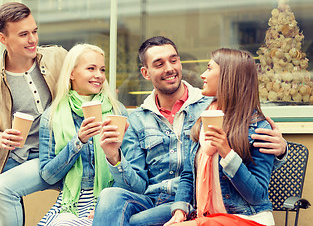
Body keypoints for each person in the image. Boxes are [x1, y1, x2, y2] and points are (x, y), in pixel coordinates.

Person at [92, 36, 287, 226]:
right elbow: (138, 185)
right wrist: (114, 157)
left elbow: (248, 148)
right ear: (146, 73)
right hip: (154, 200)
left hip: (196, 201)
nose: (170, 68)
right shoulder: (138, 119)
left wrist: (281, 150)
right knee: (109, 196)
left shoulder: (206, 108)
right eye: (159, 64)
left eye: (174, 60)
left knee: (135, 222)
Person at [0, 2, 67, 226]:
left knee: (4, 189)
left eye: (34, 31)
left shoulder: (58, 58)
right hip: (7, 159)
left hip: (52, 155)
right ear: (2, 38)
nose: (33, 40)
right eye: (23, 34)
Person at [164, 48, 276, 226]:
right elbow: (188, 175)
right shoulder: (201, 120)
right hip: (208, 217)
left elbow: (257, 195)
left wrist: (227, 152)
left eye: (209, 68)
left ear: (227, 76)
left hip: (248, 219)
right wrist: (179, 210)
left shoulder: (259, 128)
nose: (202, 75)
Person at [37, 43, 128, 225]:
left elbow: (131, 170)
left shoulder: (118, 111)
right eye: (91, 68)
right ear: (71, 73)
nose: (99, 76)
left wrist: (106, 204)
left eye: (102, 70)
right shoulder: (53, 115)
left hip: (111, 197)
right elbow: (48, 175)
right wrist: (78, 141)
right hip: (70, 202)